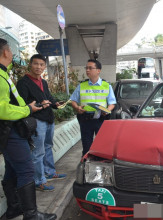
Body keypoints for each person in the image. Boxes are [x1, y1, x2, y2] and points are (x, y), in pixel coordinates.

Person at [0, 39, 56, 219]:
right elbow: (2, 108)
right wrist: (28, 109)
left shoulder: (4, 74)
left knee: (12, 169)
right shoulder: (2, 77)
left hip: (10, 130)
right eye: (10, 50)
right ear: (5, 52)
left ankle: (14, 208)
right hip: (10, 130)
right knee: (26, 170)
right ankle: (31, 215)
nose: (12, 53)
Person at [16, 54, 67, 192]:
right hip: (37, 121)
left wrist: (55, 103)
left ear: (44, 67)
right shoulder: (23, 83)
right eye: (36, 64)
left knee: (48, 146)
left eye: (41, 65)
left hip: (48, 119)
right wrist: (40, 104)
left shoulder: (43, 82)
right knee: (38, 152)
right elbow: (23, 104)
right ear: (30, 65)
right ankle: (38, 181)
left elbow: (48, 98)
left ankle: (49, 172)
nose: (39, 67)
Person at [70, 59, 116, 156]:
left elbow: (112, 103)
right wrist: (77, 107)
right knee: (87, 145)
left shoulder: (106, 85)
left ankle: (102, 165)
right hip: (86, 119)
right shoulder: (81, 85)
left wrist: (108, 110)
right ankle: (86, 165)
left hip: (101, 118)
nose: (87, 70)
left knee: (102, 144)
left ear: (98, 70)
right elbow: (73, 100)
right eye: (86, 68)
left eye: (90, 68)